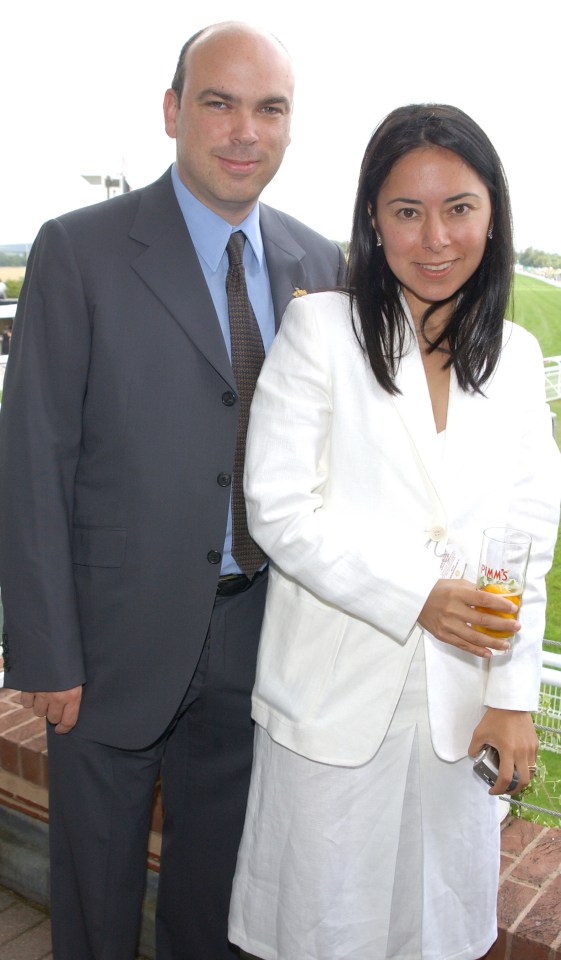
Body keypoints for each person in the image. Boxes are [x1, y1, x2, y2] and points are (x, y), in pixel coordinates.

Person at [0, 22, 345, 960]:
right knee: (96, 907)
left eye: (268, 108)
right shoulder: (80, 251)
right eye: (219, 102)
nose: (245, 130)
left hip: (258, 639)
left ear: (288, 125)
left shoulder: (320, 266)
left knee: (219, 904)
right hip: (108, 646)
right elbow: (33, 455)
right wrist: (44, 649)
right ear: (172, 112)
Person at [228, 104, 561, 960]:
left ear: (492, 212)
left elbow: (525, 531)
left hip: (457, 708)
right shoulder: (321, 332)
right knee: (321, 932)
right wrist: (413, 596)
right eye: (405, 212)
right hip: (335, 699)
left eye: (459, 206)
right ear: (372, 223)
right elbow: (277, 508)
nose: (435, 237)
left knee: (438, 932)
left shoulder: (516, 358)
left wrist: (512, 693)